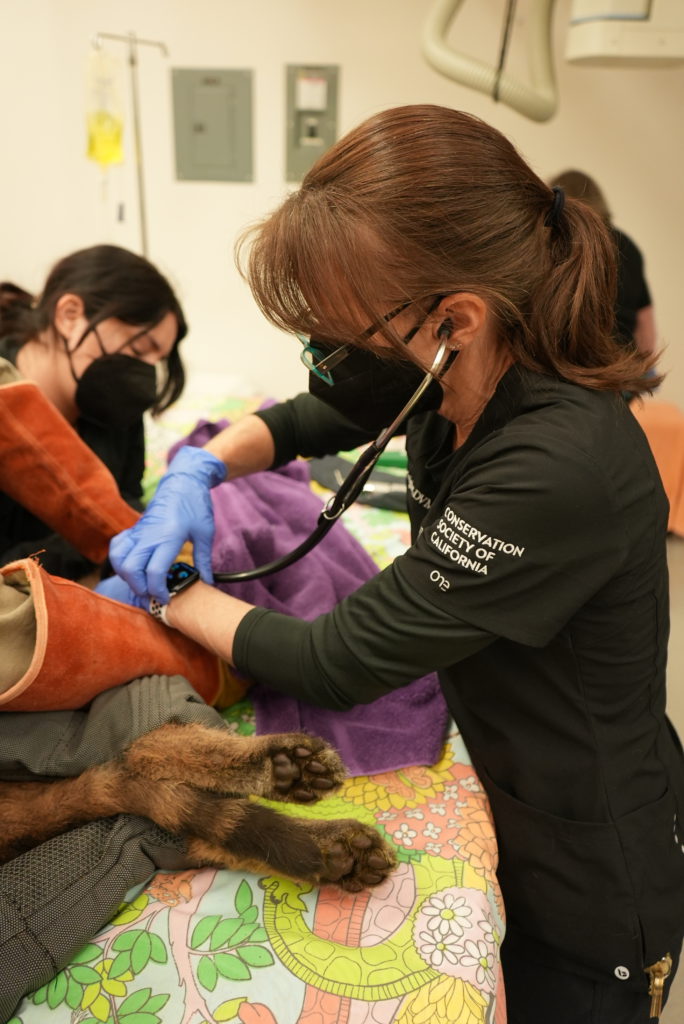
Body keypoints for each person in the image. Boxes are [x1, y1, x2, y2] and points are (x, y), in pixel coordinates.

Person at [105, 105, 683, 1023]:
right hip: (507, 770)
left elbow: (334, 662)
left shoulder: (558, 465)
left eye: (348, 337)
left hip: (585, 869)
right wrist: (198, 468)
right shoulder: (454, 370)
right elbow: (306, 417)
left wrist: (170, 588)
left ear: (455, 317)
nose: (335, 361)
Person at [0, 244, 187, 581]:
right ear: (69, 316)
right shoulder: (6, 406)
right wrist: (99, 542)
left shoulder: (116, 406)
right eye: (138, 349)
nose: (142, 376)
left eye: (156, 362)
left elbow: (126, 499)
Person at [548, 168, 658, 360]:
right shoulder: (627, 246)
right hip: (620, 366)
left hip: (569, 363)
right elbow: (646, 329)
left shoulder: (558, 240)